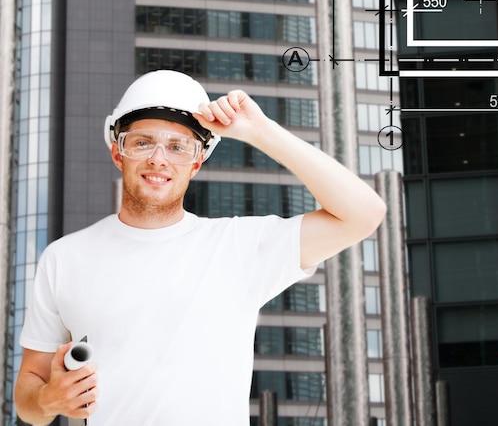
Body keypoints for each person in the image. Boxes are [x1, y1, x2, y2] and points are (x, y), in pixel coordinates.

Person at [14, 70, 387, 426]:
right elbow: (28, 392)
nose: (158, 158)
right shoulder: (65, 259)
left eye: (178, 147)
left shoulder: (238, 248)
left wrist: (261, 132)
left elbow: (363, 214)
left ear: (196, 163)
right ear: (118, 153)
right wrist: (48, 400)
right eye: (142, 142)